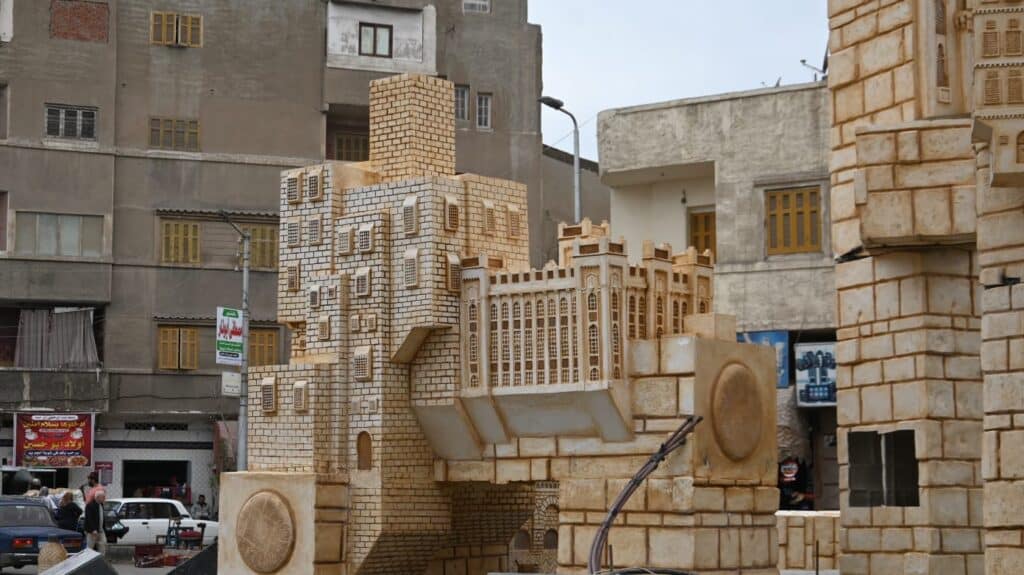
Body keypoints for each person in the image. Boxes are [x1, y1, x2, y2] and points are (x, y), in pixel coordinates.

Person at [83, 489, 106, 556]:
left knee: (103, 545)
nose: (104, 498)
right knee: (90, 547)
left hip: (101, 531)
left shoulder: (101, 504)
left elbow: (102, 517)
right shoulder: (90, 505)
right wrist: (93, 529)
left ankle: (101, 560)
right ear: (98, 497)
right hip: (92, 531)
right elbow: (89, 519)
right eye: (103, 497)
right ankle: (87, 560)